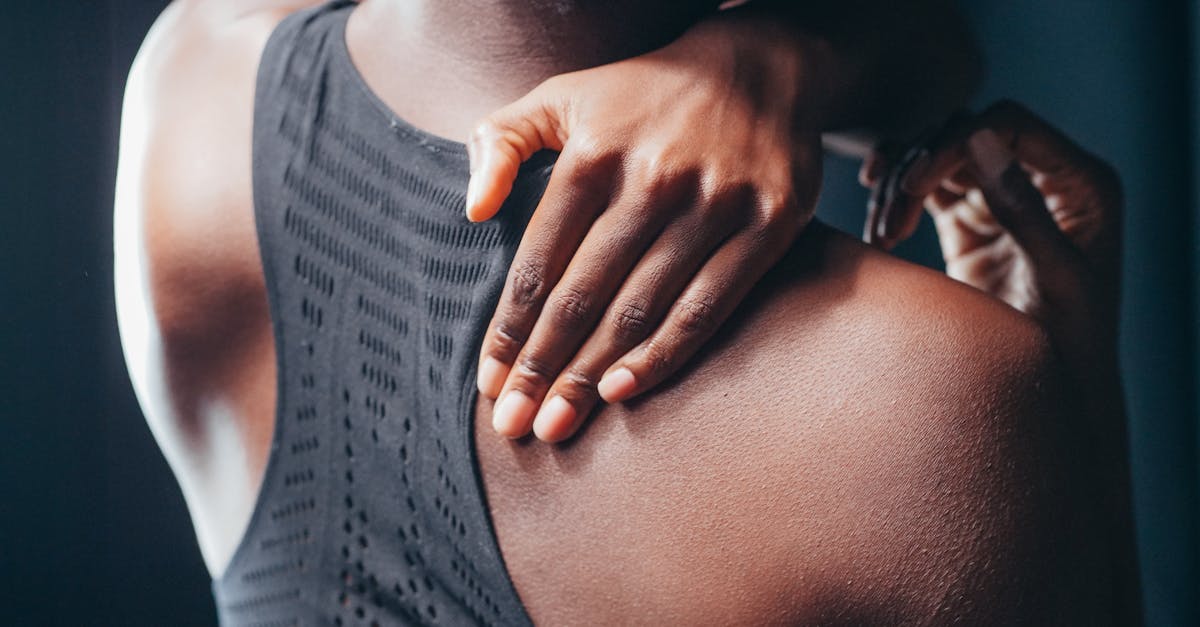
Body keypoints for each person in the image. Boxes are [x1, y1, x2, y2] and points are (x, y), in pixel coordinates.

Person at [113, 0, 1134, 624]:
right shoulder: (926, 397)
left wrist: (787, 62)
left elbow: (931, 48)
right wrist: (1073, 395)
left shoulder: (191, 90)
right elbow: (934, 54)